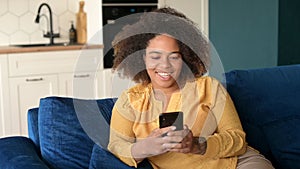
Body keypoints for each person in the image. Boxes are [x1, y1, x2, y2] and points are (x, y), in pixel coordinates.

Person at [108, 7, 274, 169]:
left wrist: (198, 145)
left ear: (185, 58)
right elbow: (115, 146)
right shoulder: (130, 100)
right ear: (143, 58)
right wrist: (145, 147)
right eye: (155, 56)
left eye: (174, 57)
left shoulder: (209, 87)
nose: (165, 65)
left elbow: (238, 140)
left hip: (235, 163)